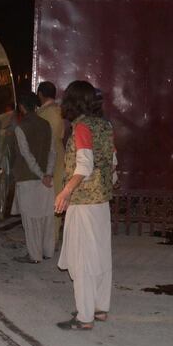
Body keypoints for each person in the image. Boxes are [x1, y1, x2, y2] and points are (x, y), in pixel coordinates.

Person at [55, 80, 116, 331]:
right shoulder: (105, 125)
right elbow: (113, 161)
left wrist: (66, 192)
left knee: (82, 259)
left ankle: (84, 317)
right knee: (101, 255)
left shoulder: (81, 126)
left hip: (83, 201)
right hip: (101, 200)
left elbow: (84, 164)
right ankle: (99, 307)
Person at [10, 92, 56, 264]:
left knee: (31, 220)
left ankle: (34, 255)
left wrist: (40, 174)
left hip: (28, 178)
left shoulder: (20, 128)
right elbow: (52, 151)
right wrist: (48, 174)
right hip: (46, 179)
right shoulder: (46, 125)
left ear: (22, 107)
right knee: (46, 217)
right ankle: (47, 251)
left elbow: (26, 155)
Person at [36, 81, 66, 244]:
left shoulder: (46, 113)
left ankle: (49, 239)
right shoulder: (59, 111)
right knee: (56, 196)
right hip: (59, 155)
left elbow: (47, 140)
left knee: (49, 198)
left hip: (48, 156)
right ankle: (51, 238)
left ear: (40, 94)